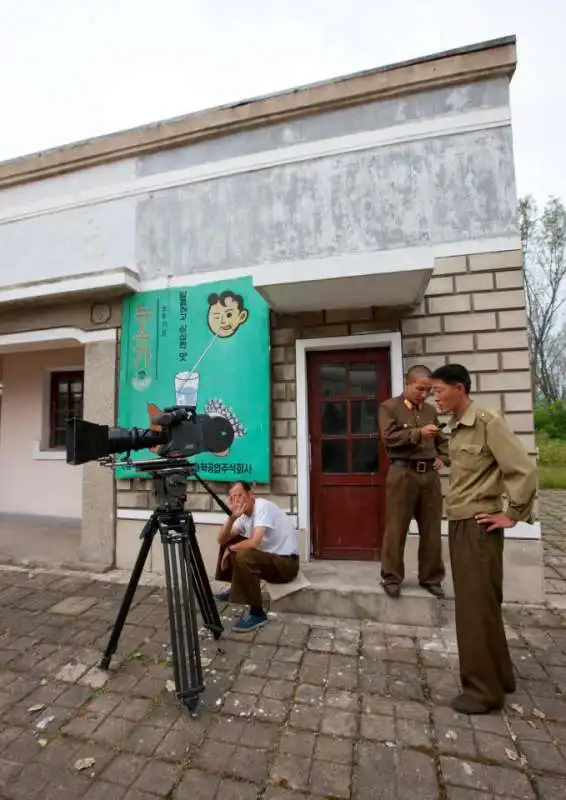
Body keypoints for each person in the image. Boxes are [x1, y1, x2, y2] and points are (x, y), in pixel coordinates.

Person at [430, 363, 537, 715]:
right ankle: (500, 677)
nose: (436, 397)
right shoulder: (457, 429)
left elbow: (522, 468)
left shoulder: (487, 420)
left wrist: (514, 514)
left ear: (459, 388)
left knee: (474, 610)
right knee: (483, 605)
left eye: (440, 390)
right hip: (462, 524)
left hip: (478, 526)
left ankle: (482, 693)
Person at [379, 365, 450, 599]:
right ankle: (391, 577)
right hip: (403, 473)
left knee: (431, 528)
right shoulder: (389, 408)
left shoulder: (430, 411)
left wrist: (443, 457)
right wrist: (418, 433)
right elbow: (389, 439)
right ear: (407, 384)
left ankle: (431, 578)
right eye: (420, 389)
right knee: (396, 528)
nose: (425, 394)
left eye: (429, 390)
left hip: (429, 475)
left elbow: (441, 440)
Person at [213, 481, 300, 632]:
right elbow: (221, 539)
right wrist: (232, 518)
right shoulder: (242, 517)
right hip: (269, 559)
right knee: (230, 543)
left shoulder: (262, 507)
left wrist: (231, 549)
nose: (238, 500)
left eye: (240, 495)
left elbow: (254, 542)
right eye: (233, 498)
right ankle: (235, 588)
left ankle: (257, 613)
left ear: (251, 494)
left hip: (287, 564)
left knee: (244, 553)